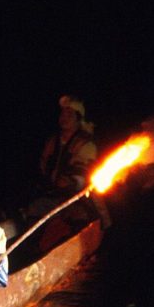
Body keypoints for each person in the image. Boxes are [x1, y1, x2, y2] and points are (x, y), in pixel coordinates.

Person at [23, 95, 109, 239]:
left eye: (70, 114)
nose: (64, 117)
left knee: (77, 218)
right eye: (63, 113)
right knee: (32, 210)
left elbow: (82, 173)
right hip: (53, 195)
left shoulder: (85, 144)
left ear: (78, 118)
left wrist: (71, 180)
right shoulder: (52, 141)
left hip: (80, 198)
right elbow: (43, 166)